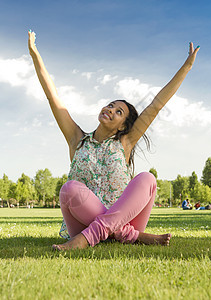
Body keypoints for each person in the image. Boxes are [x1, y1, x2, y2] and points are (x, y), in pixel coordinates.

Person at [28, 30, 200, 250]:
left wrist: (186, 68)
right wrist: (35, 54)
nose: (110, 109)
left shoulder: (125, 143)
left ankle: (88, 239)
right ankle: (134, 236)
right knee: (69, 189)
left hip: (121, 219)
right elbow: (53, 98)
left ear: (123, 126)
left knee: (147, 179)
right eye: (110, 105)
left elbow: (156, 105)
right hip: (82, 222)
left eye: (118, 112)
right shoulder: (76, 139)